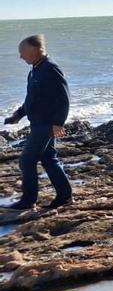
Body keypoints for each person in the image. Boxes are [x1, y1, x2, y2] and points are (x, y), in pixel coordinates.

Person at [3, 35, 72, 210]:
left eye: (23, 52)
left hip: (46, 124)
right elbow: (32, 99)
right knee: (48, 158)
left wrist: (59, 122)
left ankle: (28, 200)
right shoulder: (35, 69)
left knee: (26, 160)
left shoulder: (51, 69)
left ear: (36, 50)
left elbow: (64, 98)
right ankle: (64, 196)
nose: (21, 56)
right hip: (39, 123)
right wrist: (18, 115)